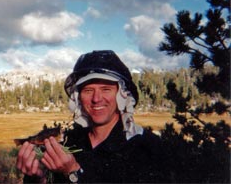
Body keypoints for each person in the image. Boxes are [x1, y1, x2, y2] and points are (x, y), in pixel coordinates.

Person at [16, 50, 172, 183]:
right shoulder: (68, 142)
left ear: (122, 96)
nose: (96, 98)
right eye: (88, 90)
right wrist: (38, 179)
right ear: (78, 98)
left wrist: (73, 173)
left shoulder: (148, 147)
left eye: (106, 89)